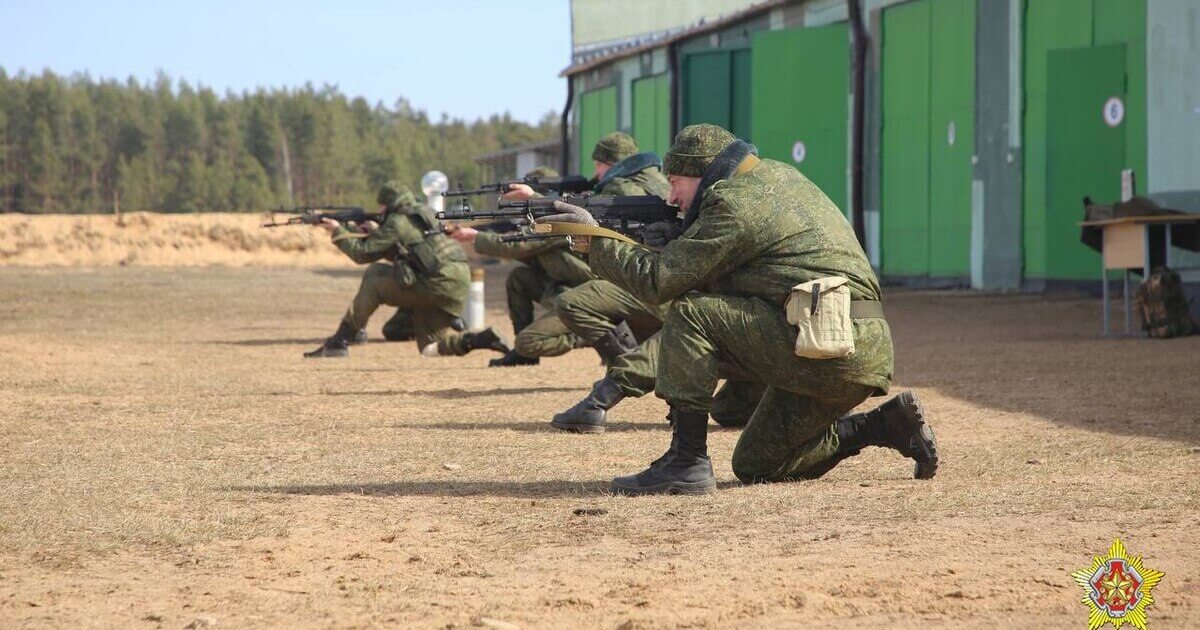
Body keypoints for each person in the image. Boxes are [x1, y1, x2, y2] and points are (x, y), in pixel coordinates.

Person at [548, 124, 939, 495]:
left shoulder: (733, 203)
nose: (671, 197)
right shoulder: (777, 178)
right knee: (757, 464)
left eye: (675, 183)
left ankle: (686, 461)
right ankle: (883, 425)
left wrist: (595, 242)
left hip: (823, 342)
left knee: (691, 313)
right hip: (854, 349)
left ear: (701, 174)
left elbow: (660, 281)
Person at [304, 180, 510, 359]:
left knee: (375, 275)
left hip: (435, 282)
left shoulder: (397, 221)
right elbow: (407, 250)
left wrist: (337, 231)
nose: (381, 210)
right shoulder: (424, 212)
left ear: (388, 203)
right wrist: (373, 234)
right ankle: (481, 339)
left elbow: (362, 254)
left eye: (381, 206)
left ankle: (341, 340)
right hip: (453, 282)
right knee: (429, 347)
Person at [447, 166, 595, 367]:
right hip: (562, 285)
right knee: (519, 278)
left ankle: (594, 336)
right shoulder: (542, 218)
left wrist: (475, 237)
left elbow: (521, 244)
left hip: (583, 291)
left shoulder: (561, 218)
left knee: (530, 342)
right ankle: (524, 356)